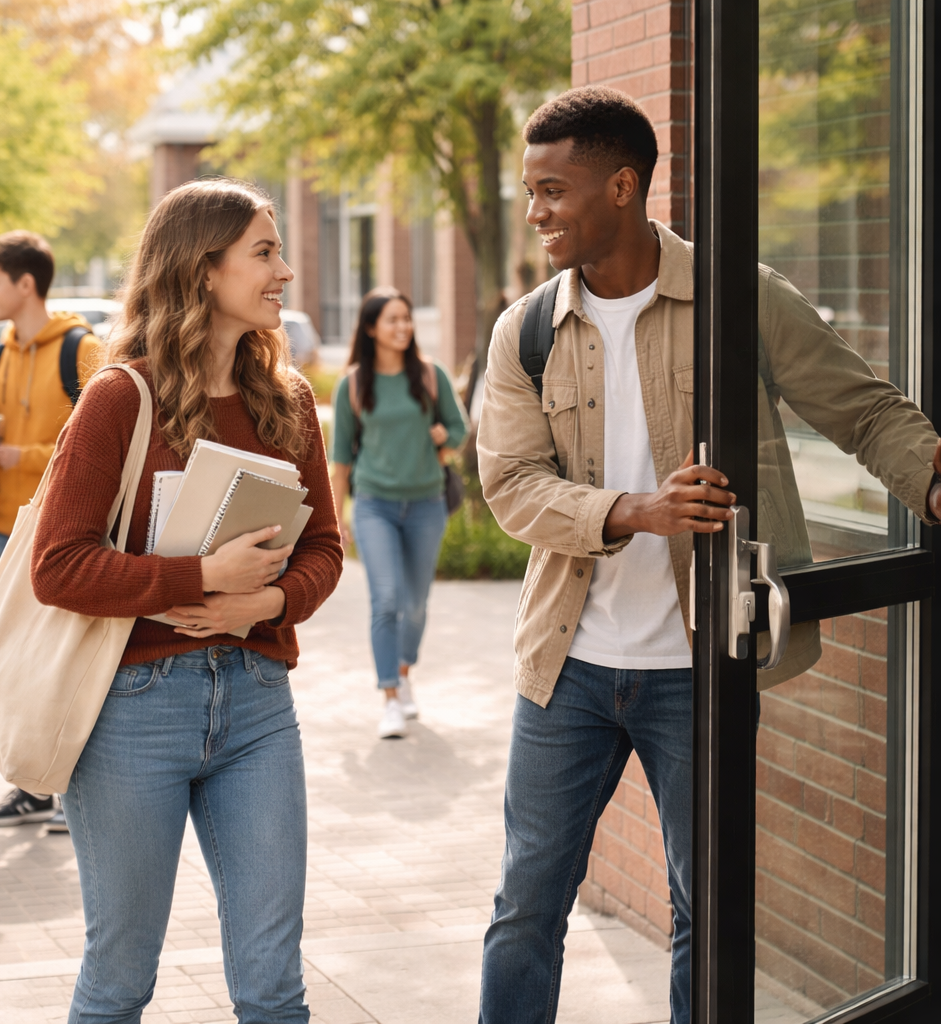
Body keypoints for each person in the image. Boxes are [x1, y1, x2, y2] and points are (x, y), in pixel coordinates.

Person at [475, 85, 941, 1024]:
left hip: (701, 666)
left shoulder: (739, 297)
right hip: (566, 668)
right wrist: (635, 510)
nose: (537, 213)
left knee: (707, 910)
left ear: (622, 185)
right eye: (530, 192)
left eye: (554, 191)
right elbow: (512, 486)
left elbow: (864, 410)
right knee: (526, 908)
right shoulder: (524, 330)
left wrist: (931, 480)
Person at [28, 178, 342, 1022]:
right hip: (134, 712)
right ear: (203, 270)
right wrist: (201, 579)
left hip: (258, 706)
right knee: (122, 975)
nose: (283, 271)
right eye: (264, 253)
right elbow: (57, 567)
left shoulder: (291, 400)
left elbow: (325, 553)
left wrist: (265, 604)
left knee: (274, 985)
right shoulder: (119, 397)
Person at [0, 230, 104, 833]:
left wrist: (16, 456)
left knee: (61, 666)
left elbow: (100, 447)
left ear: (26, 284)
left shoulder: (80, 350)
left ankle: (72, 792)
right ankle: (29, 790)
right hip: (3, 529)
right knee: (13, 668)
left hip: (62, 537)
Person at [330, 288, 468, 739]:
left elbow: (460, 428)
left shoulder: (430, 376)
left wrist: (442, 438)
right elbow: (341, 461)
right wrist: (336, 519)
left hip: (427, 504)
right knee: (386, 599)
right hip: (374, 506)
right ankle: (389, 696)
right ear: (371, 328)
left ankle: (404, 671)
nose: (403, 327)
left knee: (416, 604)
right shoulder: (352, 385)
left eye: (406, 319)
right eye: (392, 320)